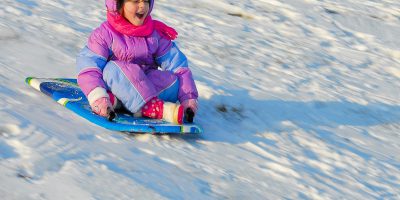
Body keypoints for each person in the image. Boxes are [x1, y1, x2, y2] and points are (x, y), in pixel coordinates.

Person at [76, 0, 198, 124]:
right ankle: (151, 107)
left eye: (146, 1)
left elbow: (177, 65)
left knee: (174, 81)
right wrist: (98, 97)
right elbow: (89, 65)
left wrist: (188, 98)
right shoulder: (105, 34)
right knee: (112, 69)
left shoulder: (154, 33)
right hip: (115, 83)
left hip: (144, 83)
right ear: (118, 4)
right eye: (136, 1)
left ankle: (120, 102)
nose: (143, 6)